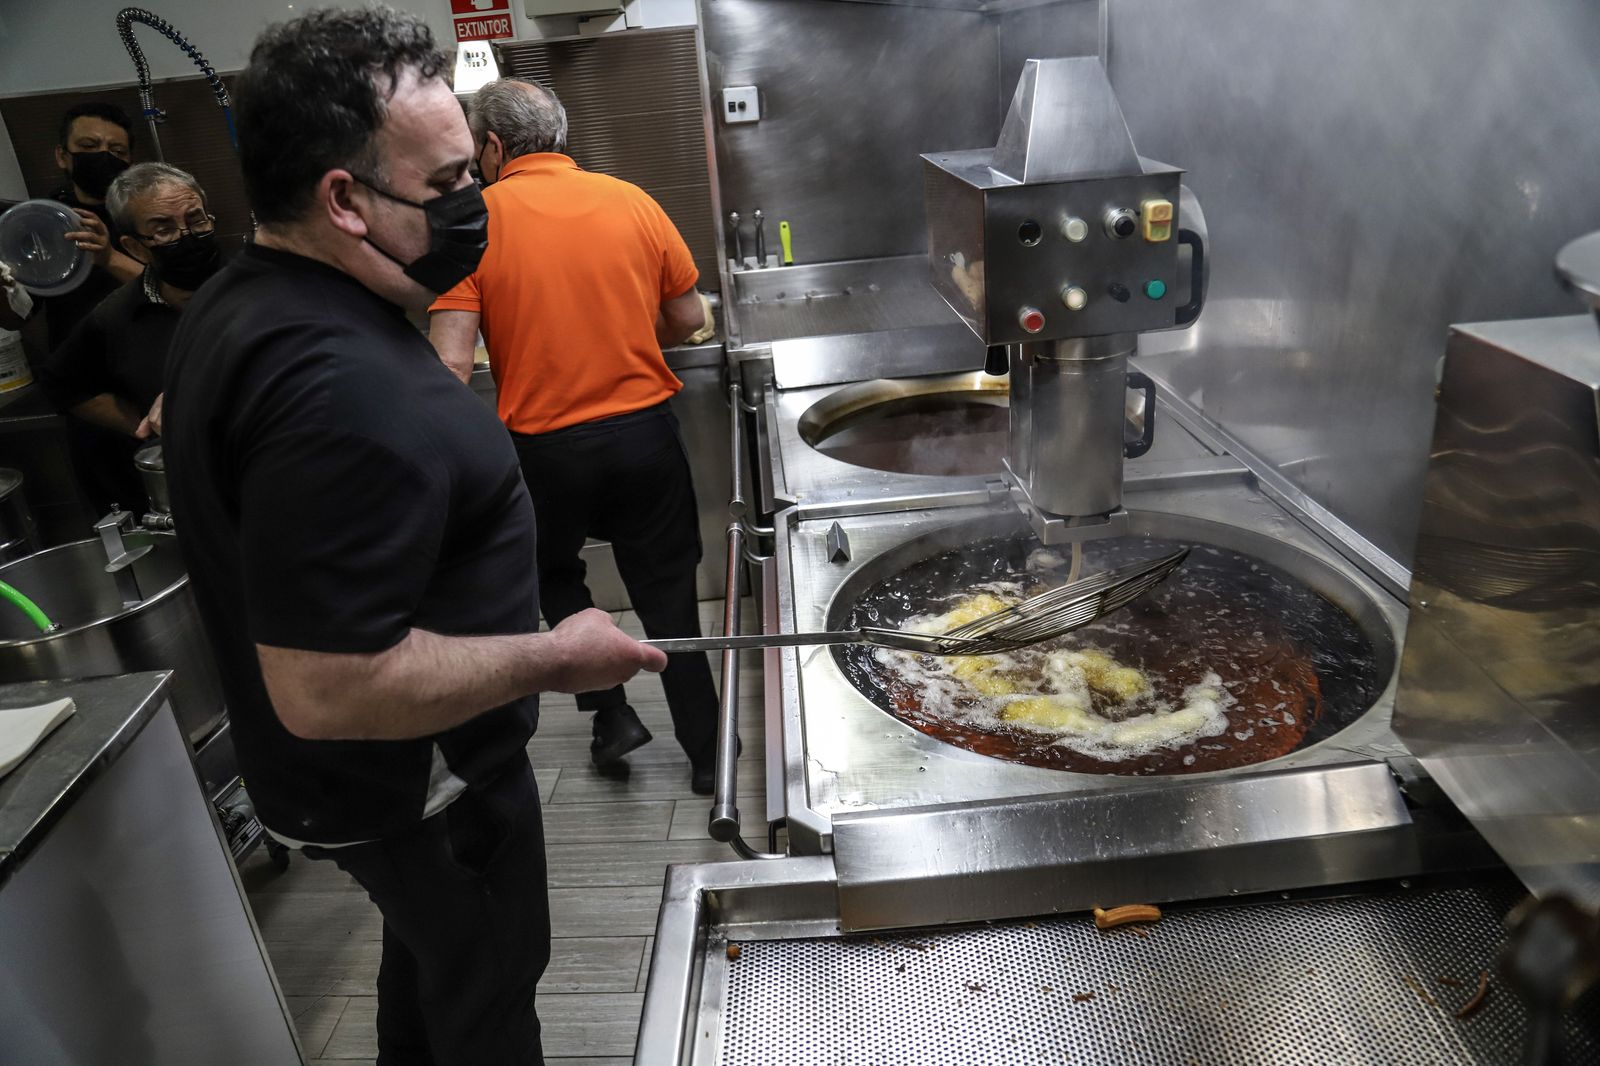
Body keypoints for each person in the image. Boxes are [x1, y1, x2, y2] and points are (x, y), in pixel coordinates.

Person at [161, 9, 665, 1065]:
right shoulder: (335, 388)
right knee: (488, 995)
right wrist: (555, 655)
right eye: (443, 189)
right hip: (420, 788)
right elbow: (326, 683)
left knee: (432, 979)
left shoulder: (248, 300)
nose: (473, 208)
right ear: (343, 199)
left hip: (363, 789)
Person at [429, 78, 721, 794]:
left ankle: (611, 712)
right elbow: (686, 318)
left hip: (543, 451)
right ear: (560, 134)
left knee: (554, 574)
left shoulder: (473, 222)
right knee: (669, 598)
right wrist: (623, 337)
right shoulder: (632, 200)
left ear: (491, 147)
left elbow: (450, 364)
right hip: (643, 437)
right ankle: (709, 754)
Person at [37, 162, 224, 509]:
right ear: (136, 248)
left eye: (196, 219)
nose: (187, 235)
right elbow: (62, 384)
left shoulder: (256, 288)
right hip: (194, 496)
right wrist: (145, 426)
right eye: (164, 229)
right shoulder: (116, 315)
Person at [0, 102, 144, 346]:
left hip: (147, 356)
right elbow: (17, 317)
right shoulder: (41, 222)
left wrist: (109, 258)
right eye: (89, 146)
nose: (103, 156)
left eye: (117, 150)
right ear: (62, 156)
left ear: (130, 161)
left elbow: (182, 294)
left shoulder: (149, 214)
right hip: (78, 365)